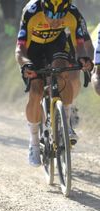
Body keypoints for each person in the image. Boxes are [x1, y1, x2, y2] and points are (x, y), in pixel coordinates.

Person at [15, 0, 93, 167]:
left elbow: (80, 44)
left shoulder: (73, 13)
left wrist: (84, 58)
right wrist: (25, 64)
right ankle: (34, 142)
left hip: (56, 44)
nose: (56, 21)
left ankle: (66, 124)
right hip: (32, 48)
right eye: (51, 16)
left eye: (60, 16)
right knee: (35, 91)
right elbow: (20, 49)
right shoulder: (31, 11)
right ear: (44, 8)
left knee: (63, 71)